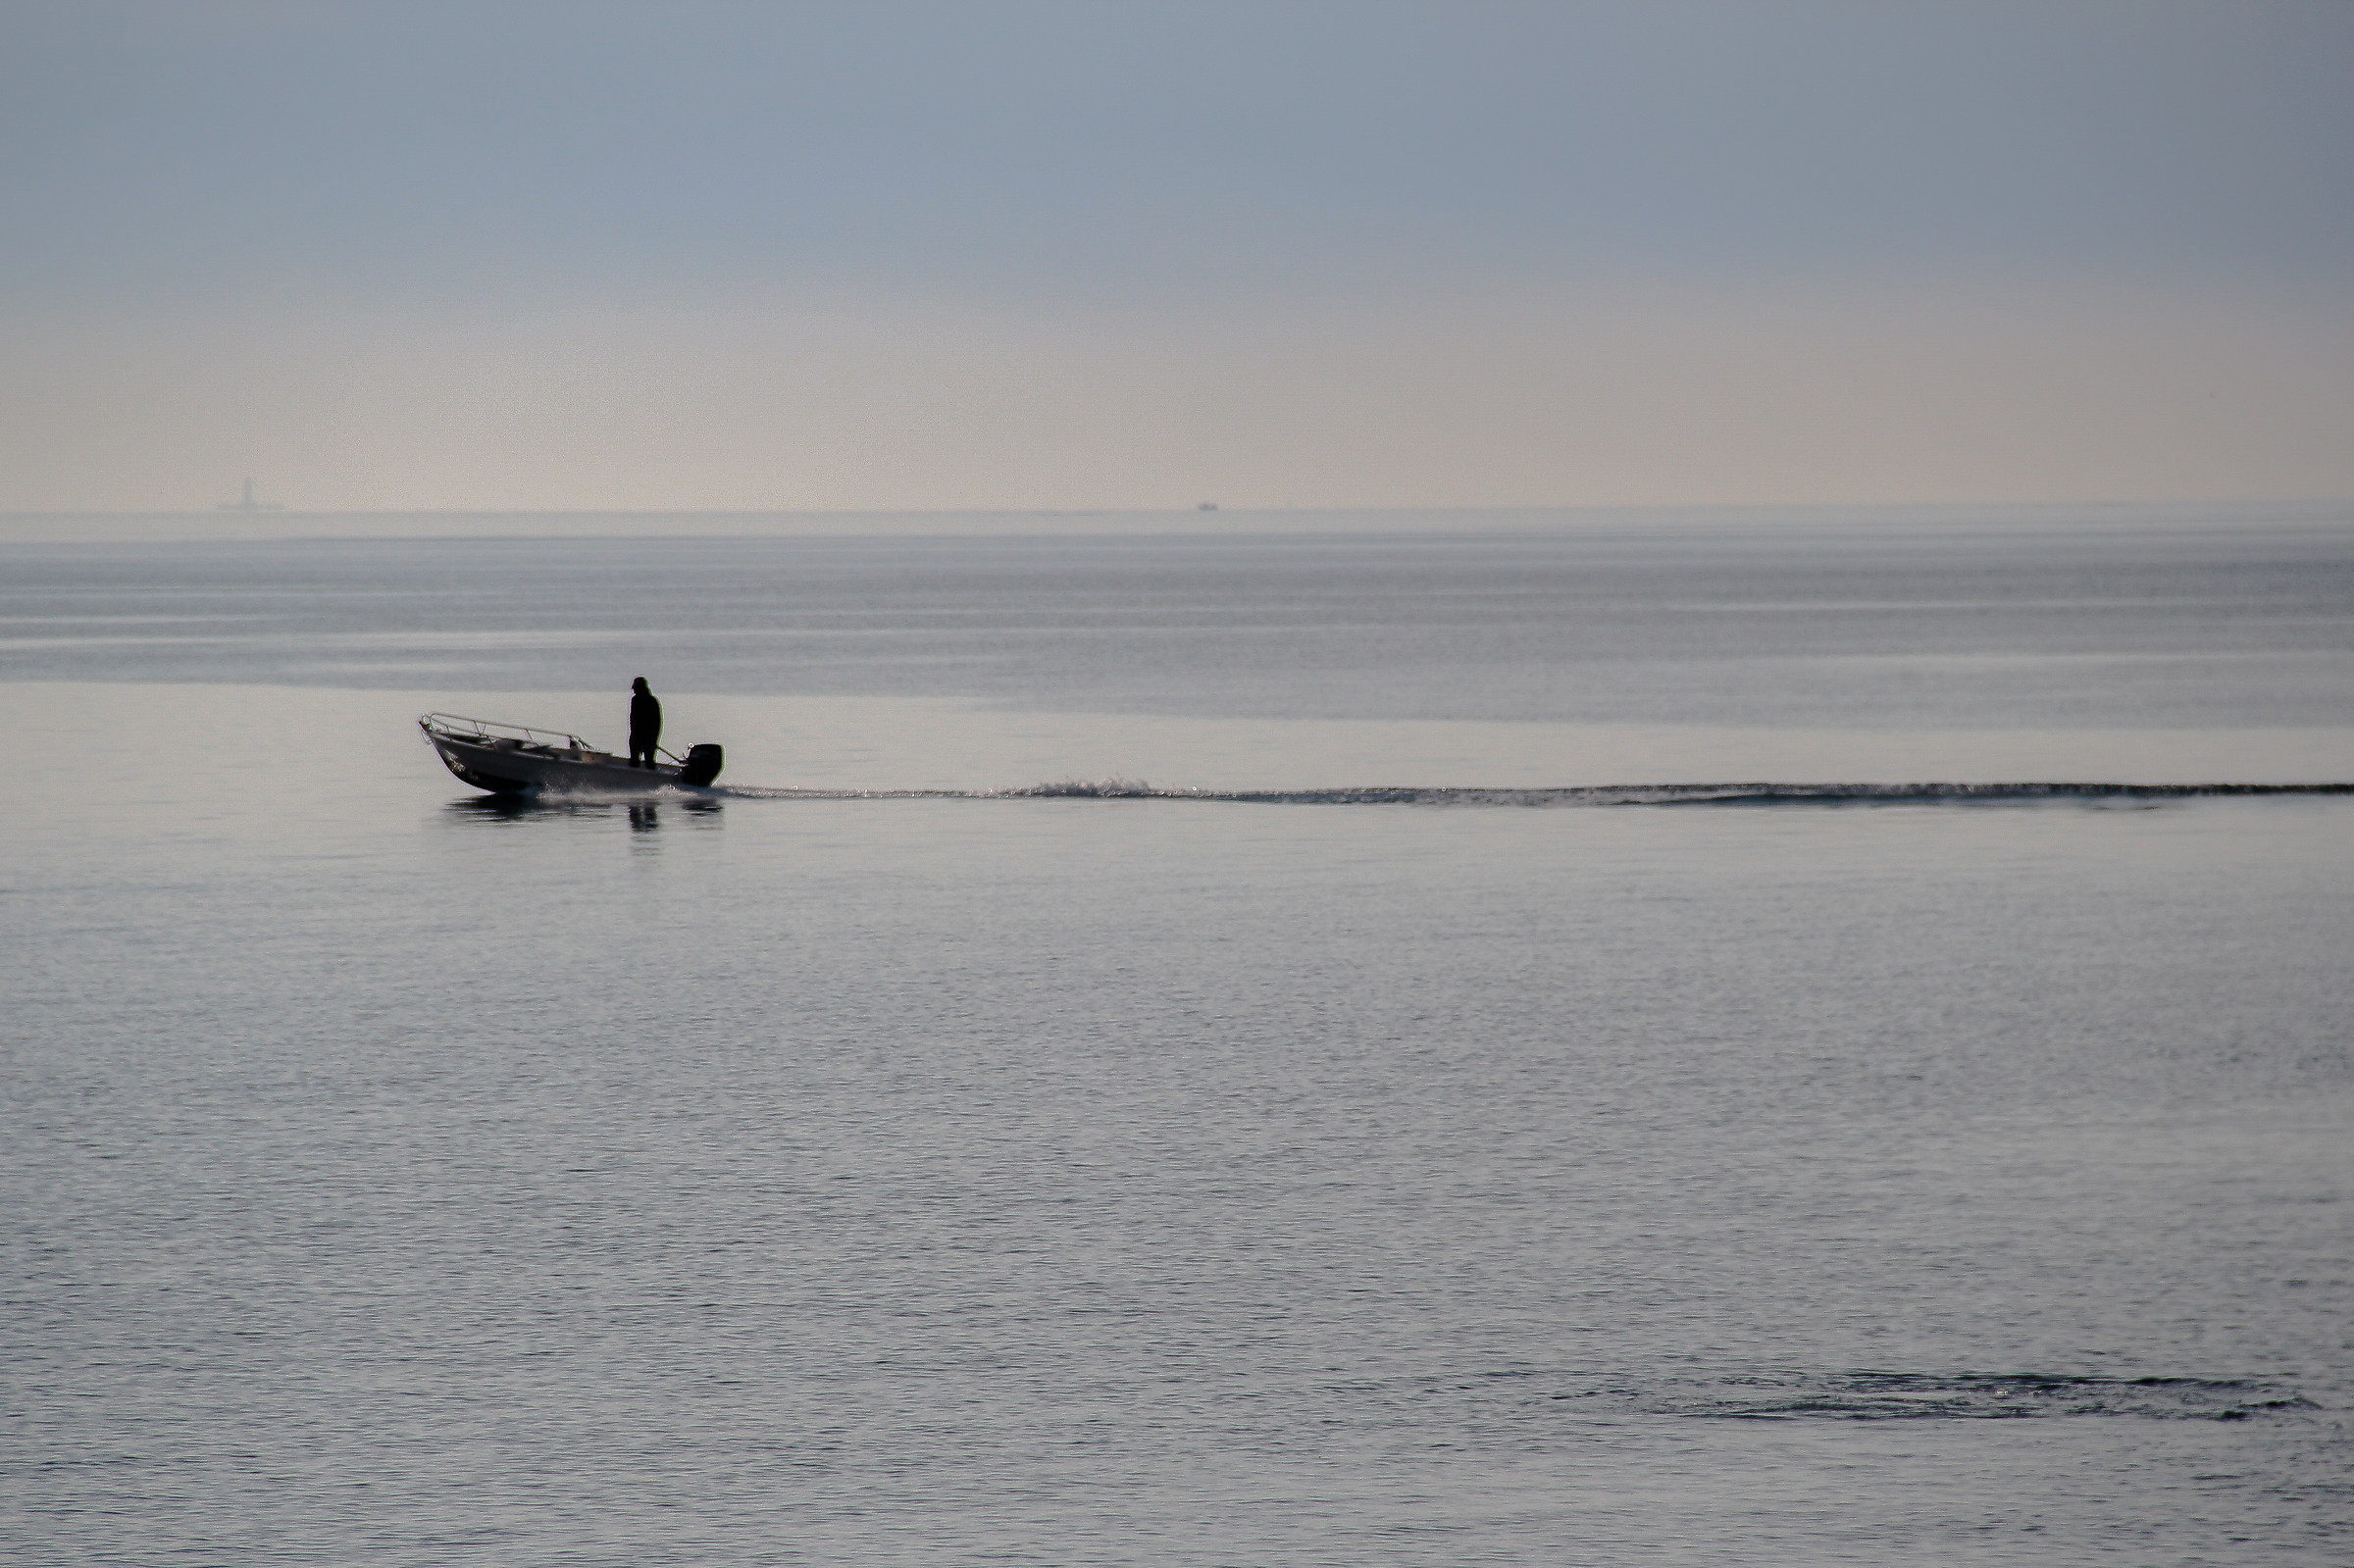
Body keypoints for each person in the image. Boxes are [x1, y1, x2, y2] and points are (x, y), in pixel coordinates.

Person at [629, 677, 662, 769]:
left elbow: (656, 722)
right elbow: (633, 720)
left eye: (635, 687)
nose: (633, 690)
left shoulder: (651, 701)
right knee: (637, 762)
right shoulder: (635, 700)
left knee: (647, 763)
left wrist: (654, 739)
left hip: (648, 738)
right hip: (637, 737)